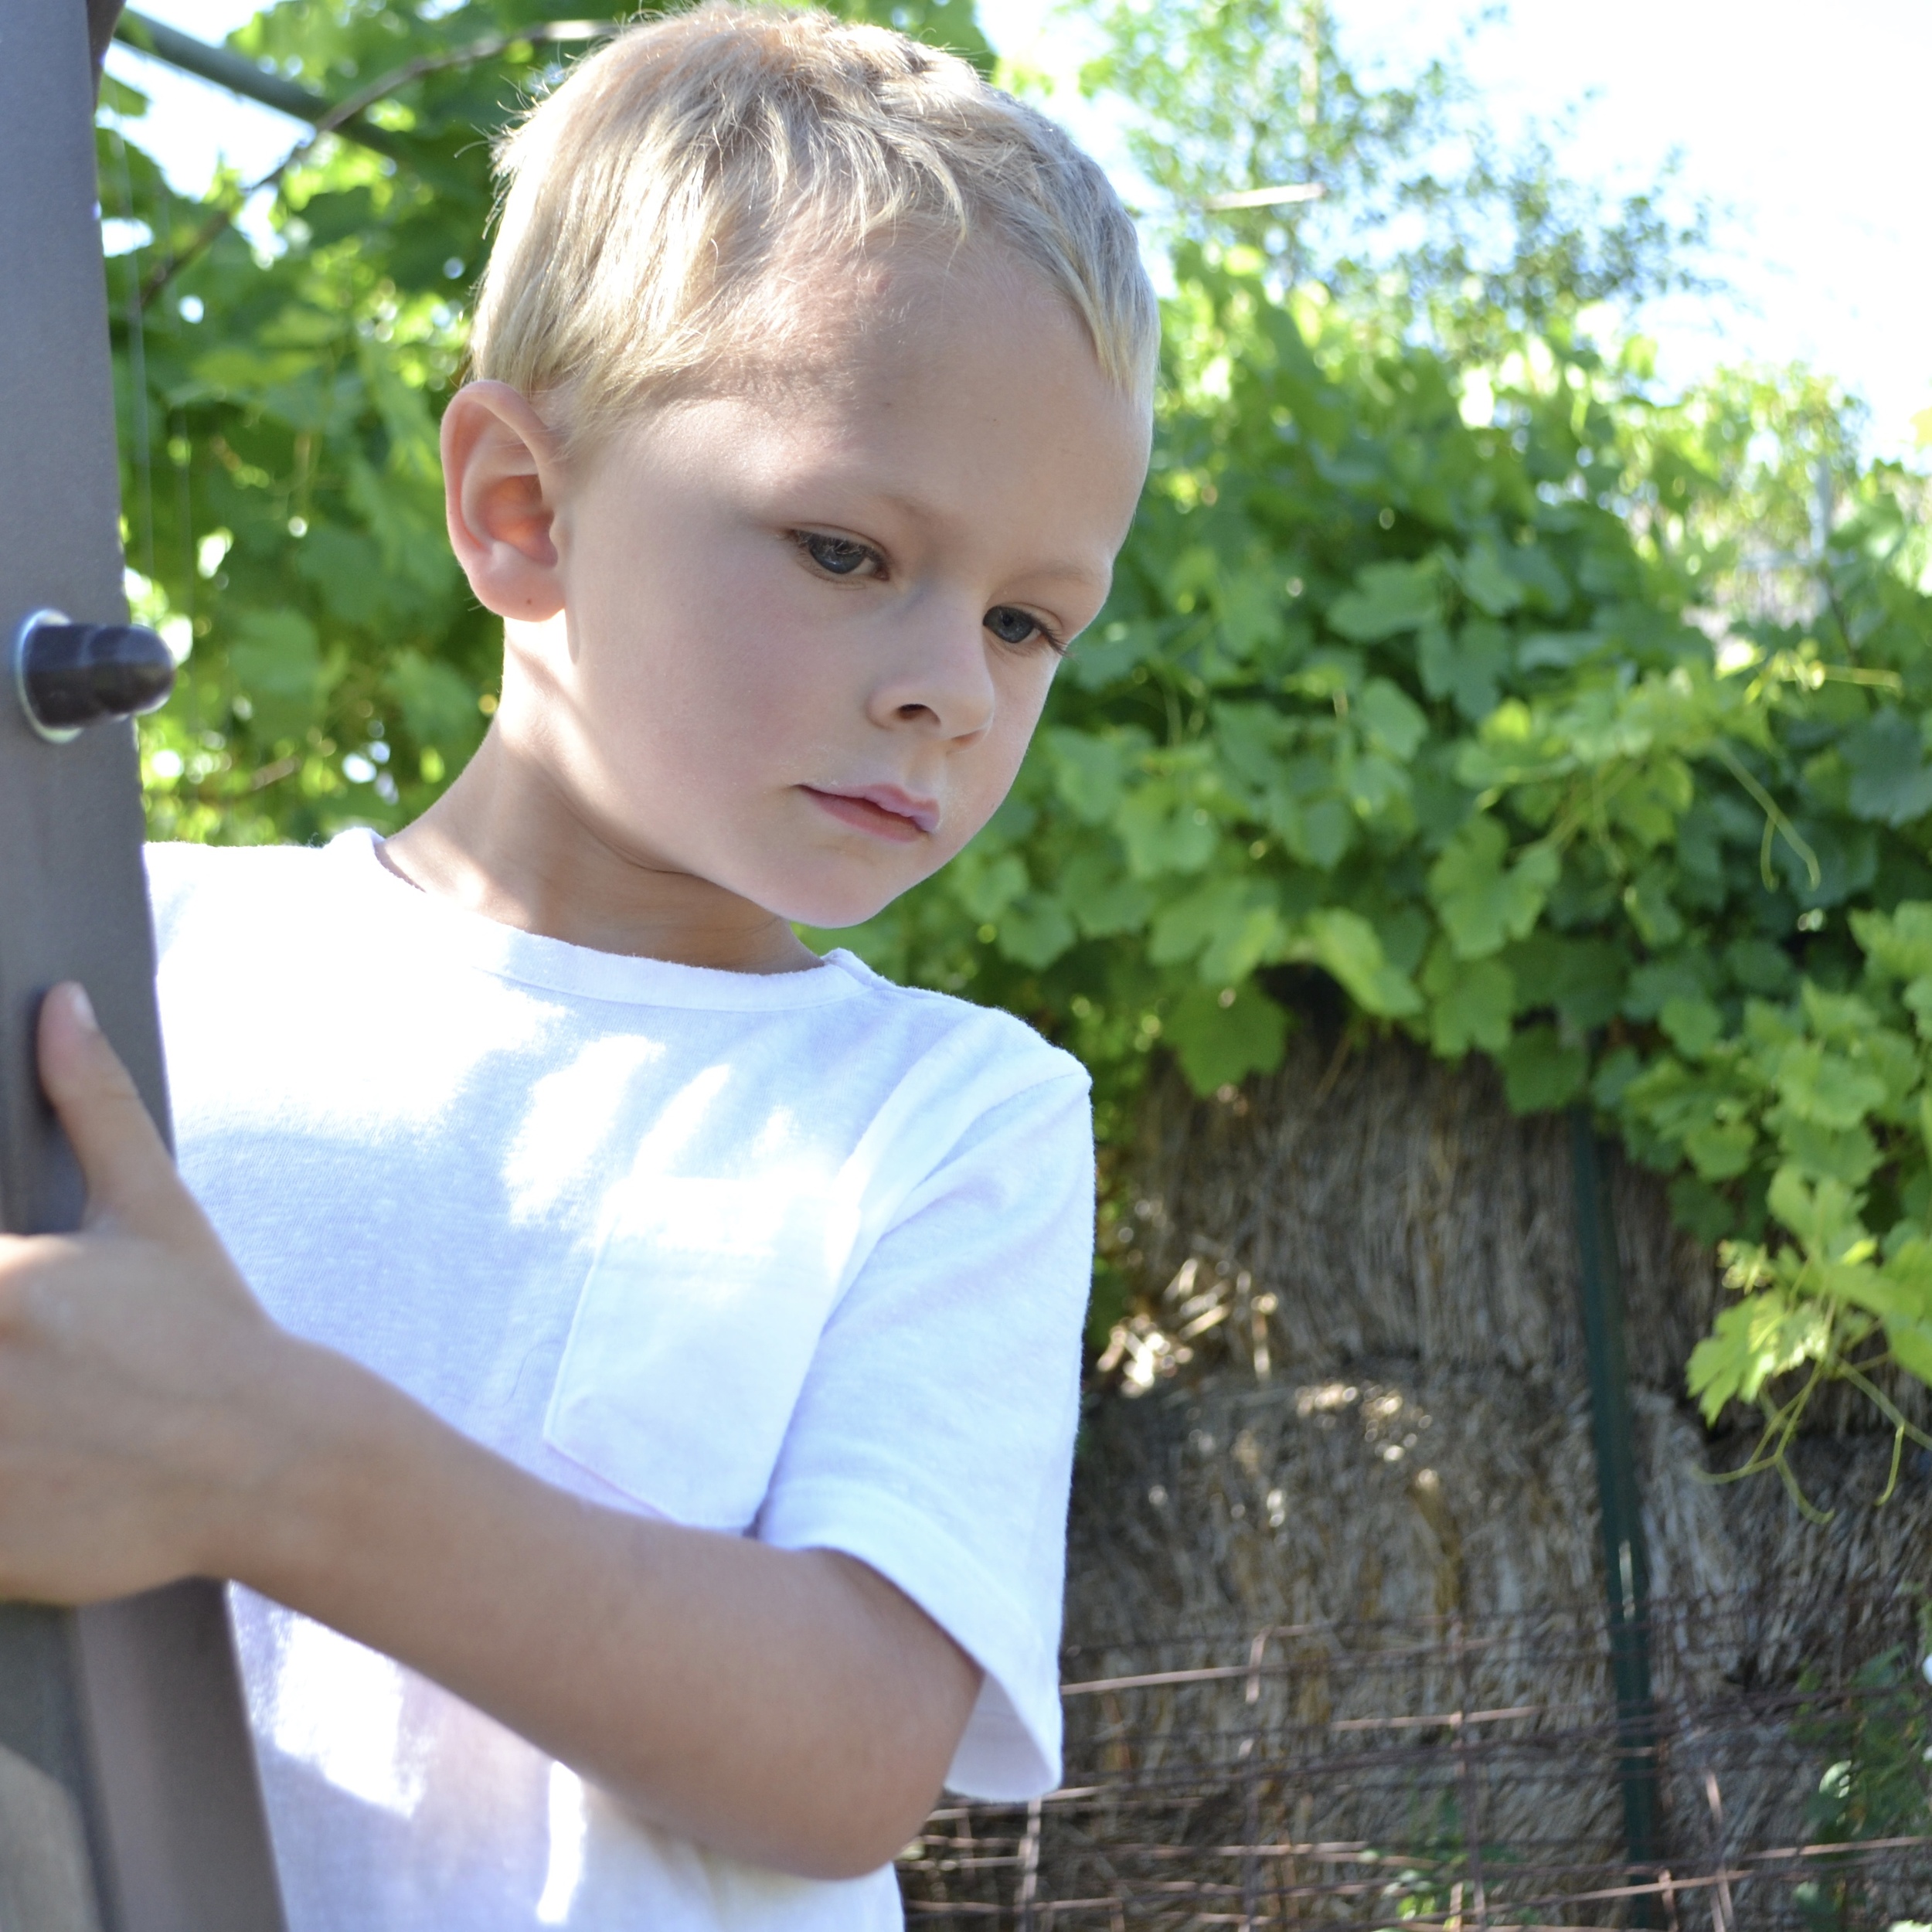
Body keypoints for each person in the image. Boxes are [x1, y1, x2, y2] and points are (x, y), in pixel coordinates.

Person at [0, 5, 1155, 1926]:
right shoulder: (132, 952)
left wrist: (267, 1459)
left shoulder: (949, 1117)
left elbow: (852, 1746)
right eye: (848, 550)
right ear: (521, 510)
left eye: (1029, 620)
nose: (949, 686)